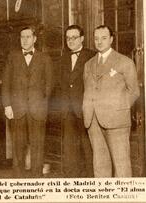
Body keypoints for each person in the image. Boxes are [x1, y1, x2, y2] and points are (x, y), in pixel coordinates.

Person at [83, 25, 140, 177]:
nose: (99, 42)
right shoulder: (88, 65)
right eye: (96, 38)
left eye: (103, 38)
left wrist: (118, 108)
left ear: (111, 39)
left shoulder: (124, 62)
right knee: (100, 165)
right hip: (93, 120)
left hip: (117, 121)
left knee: (122, 167)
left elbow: (134, 91)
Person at [2, 26, 53, 178]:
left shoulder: (45, 58)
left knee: (38, 148)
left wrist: (42, 103)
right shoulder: (12, 57)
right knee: (18, 148)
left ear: (35, 39)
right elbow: (6, 83)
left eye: (28, 37)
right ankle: (18, 181)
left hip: (37, 110)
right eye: (22, 37)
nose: (24, 40)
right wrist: (7, 105)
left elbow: (50, 84)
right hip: (18, 110)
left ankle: (37, 180)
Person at [59, 25, 95, 177]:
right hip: (68, 110)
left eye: (74, 37)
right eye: (68, 38)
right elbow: (60, 83)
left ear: (82, 38)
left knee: (88, 147)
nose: (71, 41)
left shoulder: (92, 56)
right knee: (69, 148)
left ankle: (91, 180)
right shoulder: (64, 57)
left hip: (85, 109)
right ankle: (71, 178)